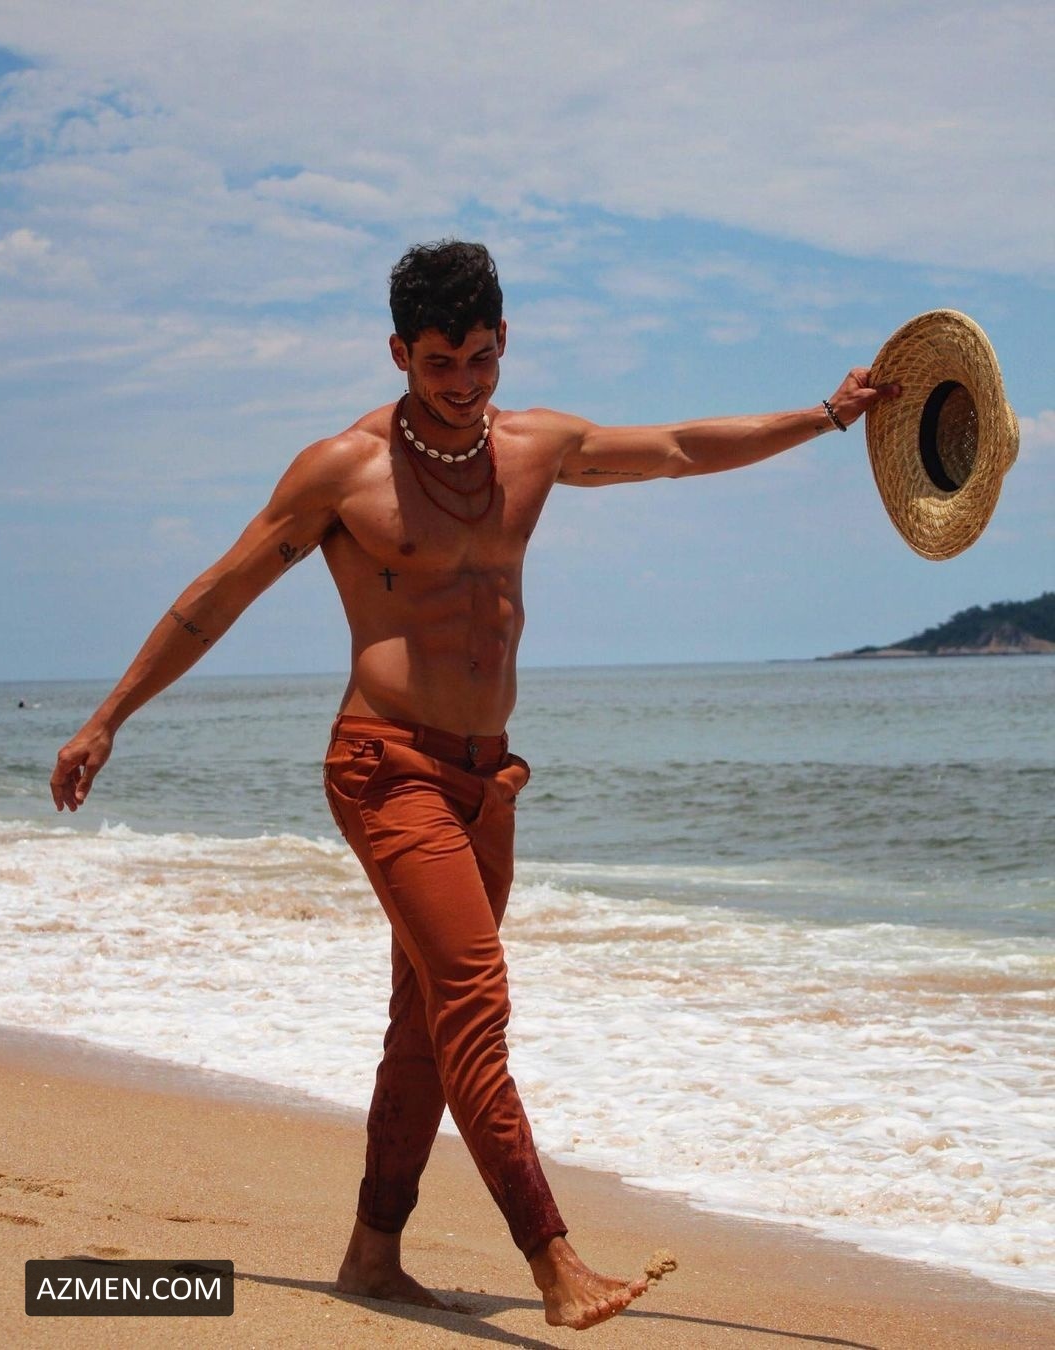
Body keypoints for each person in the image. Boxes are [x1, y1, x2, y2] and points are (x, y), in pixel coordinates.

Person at [51, 239, 899, 1331]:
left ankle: (372, 1254)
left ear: (505, 342)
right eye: (440, 362)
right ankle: (554, 1258)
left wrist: (825, 416)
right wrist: (107, 717)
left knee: (425, 1021)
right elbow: (217, 596)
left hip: (485, 780)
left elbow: (682, 447)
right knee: (474, 998)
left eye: (482, 359)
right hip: (383, 767)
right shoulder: (343, 471)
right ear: (399, 353)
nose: (463, 384)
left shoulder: (534, 447)